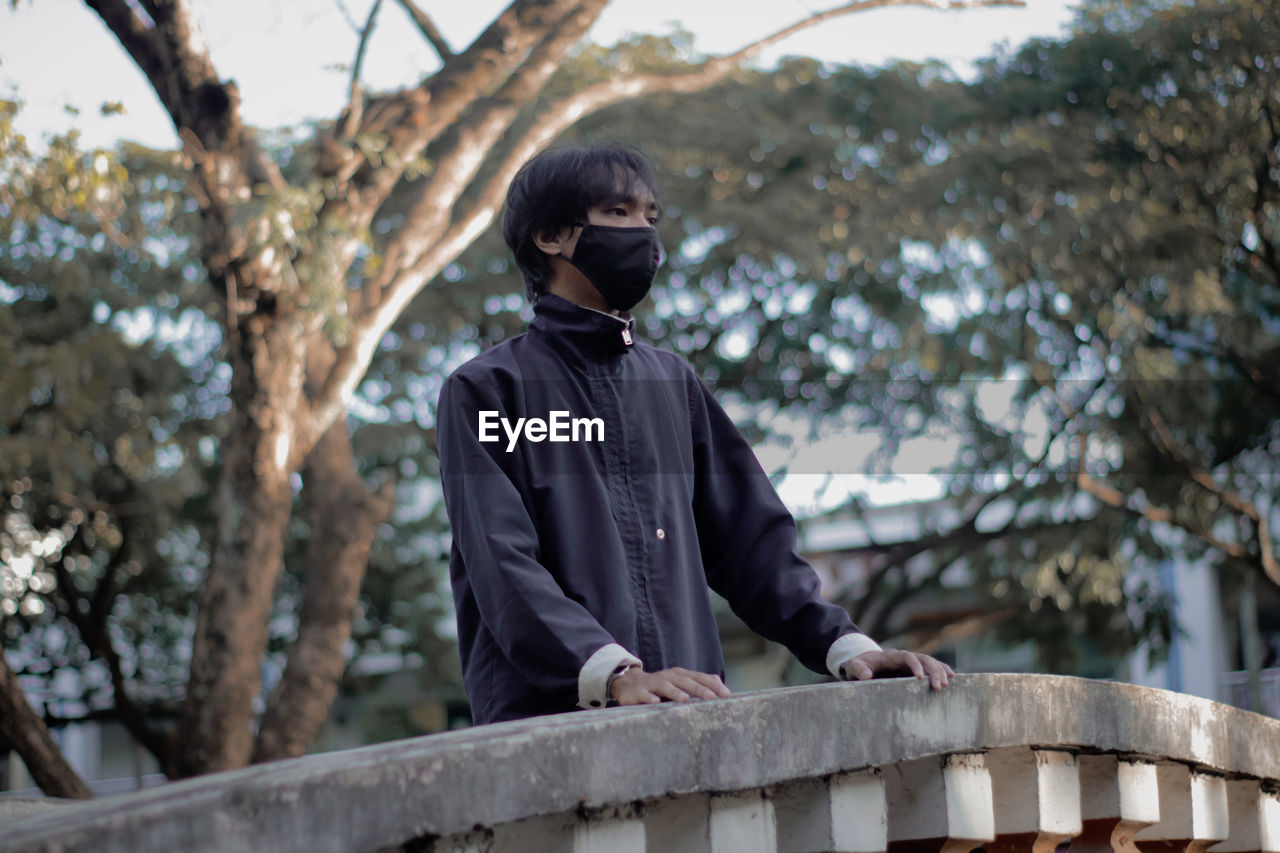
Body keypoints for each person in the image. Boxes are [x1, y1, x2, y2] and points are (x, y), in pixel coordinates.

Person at [437, 142, 953, 725]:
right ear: (551, 236)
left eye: (650, 217)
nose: (644, 233)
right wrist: (614, 675)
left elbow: (750, 540)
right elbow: (501, 563)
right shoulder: (486, 390)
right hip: (546, 728)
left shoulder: (671, 383)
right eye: (618, 213)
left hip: (691, 720)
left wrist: (850, 649)